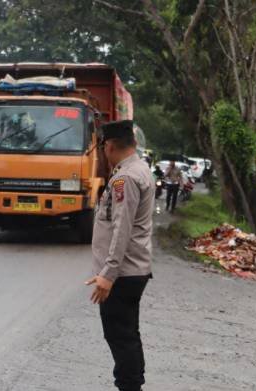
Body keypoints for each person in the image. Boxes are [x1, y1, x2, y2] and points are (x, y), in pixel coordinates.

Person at [86, 120, 154, 391]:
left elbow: (121, 228)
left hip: (123, 273)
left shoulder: (125, 178)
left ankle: (130, 386)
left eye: (103, 146)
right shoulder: (140, 169)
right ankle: (132, 385)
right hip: (133, 270)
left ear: (110, 146)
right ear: (134, 144)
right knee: (127, 335)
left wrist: (108, 274)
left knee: (120, 336)